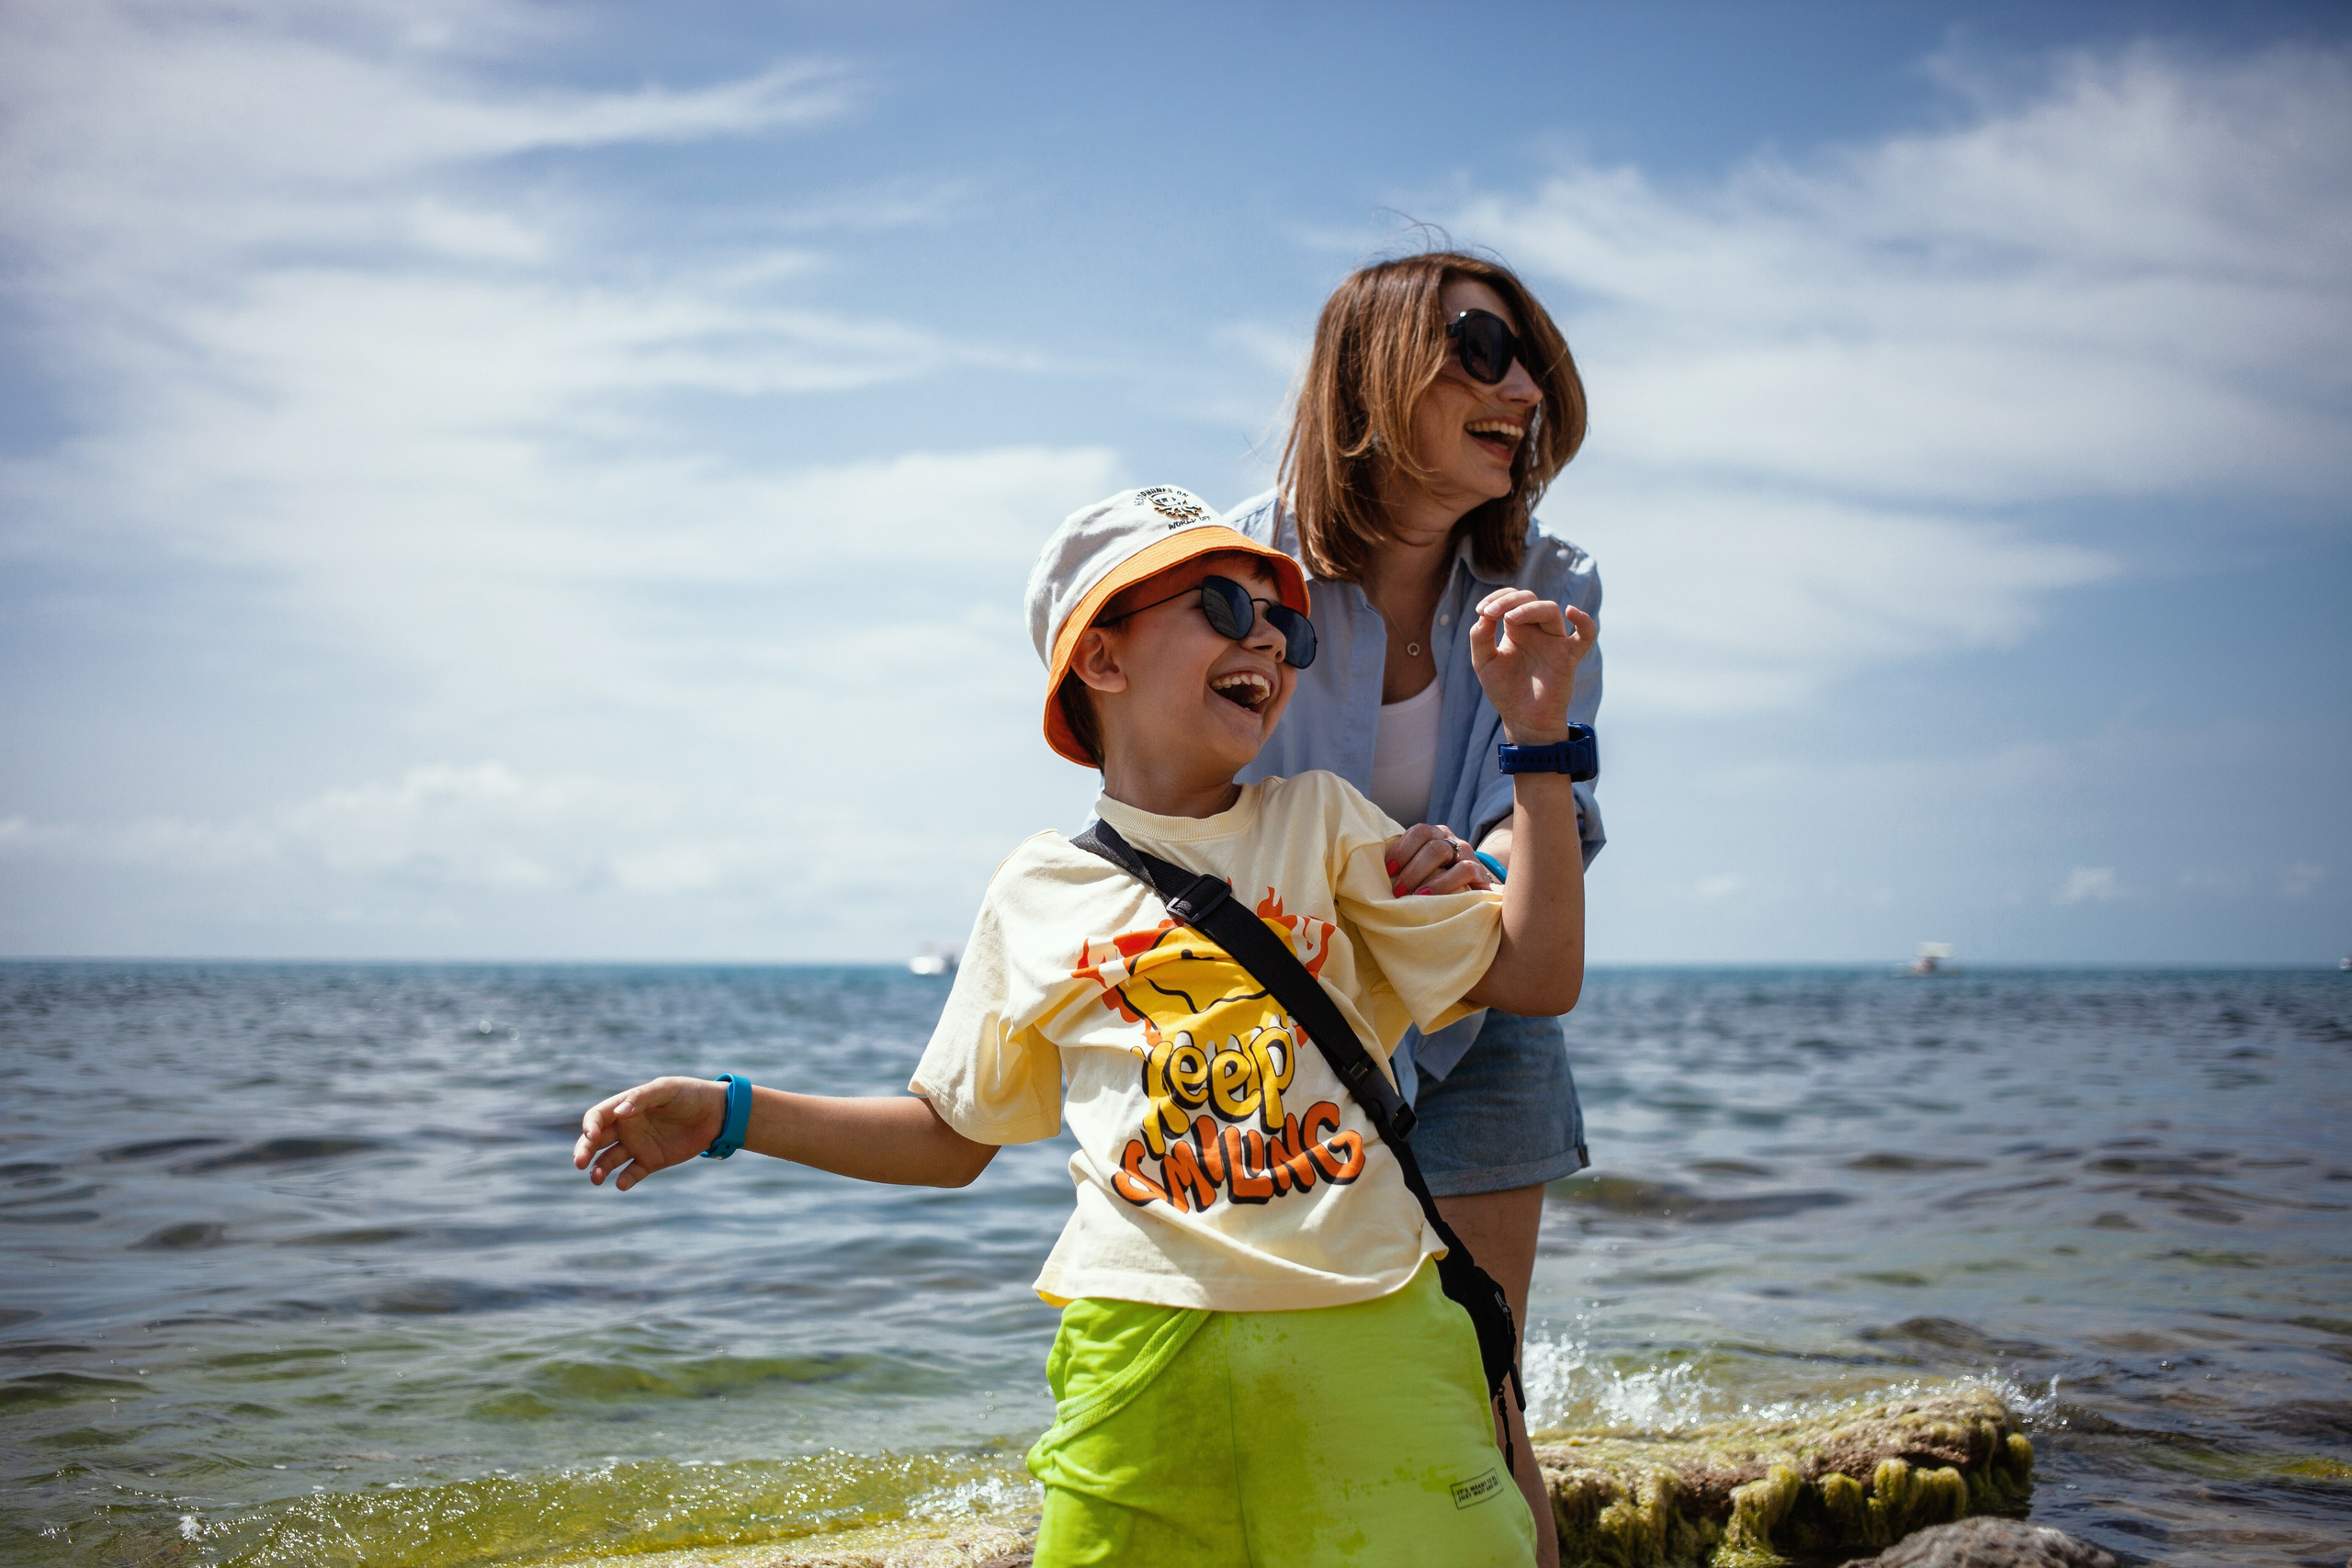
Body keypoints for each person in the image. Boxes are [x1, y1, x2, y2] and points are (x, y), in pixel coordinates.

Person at [572, 484, 1596, 1567]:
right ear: (1099, 661)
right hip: (1138, 1358)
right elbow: (950, 1135)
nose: (1274, 644)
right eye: (1223, 605)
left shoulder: (1327, 825)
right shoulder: (1036, 891)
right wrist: (731, 1113)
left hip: (1370, 1331)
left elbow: (1534, 972)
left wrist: (1535, 741)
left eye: (1286, 623)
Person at [1228, 250, 1602, 1565]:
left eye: (1537, 368)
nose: (1525, 394)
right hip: (1290, 1034)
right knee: (1289, 1386)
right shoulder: (1235, 570)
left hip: (1482, 1022)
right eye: (1484, 350)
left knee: (1480, 1387)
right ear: (1376, 367)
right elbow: (1182, 803)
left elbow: (1549, 807)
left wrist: (1484, 875)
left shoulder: (1555, 577)